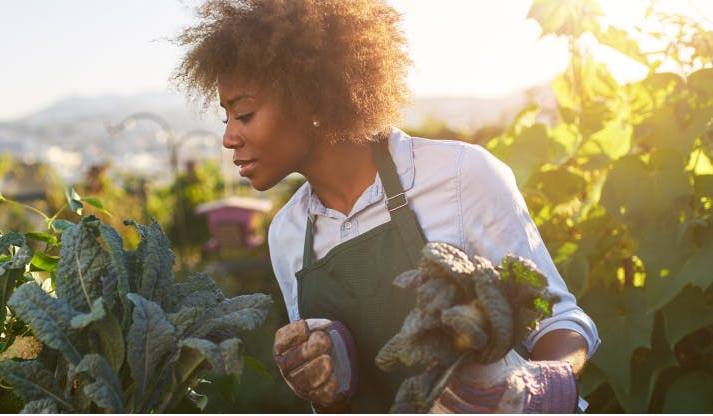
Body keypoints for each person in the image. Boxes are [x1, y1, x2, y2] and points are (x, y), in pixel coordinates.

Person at [173, 0, 601, 413]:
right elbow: (336, 406)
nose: (229, 137)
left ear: (313, 100)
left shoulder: (459, 176)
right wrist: (325, 390)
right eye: (226, 117)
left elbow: (560, 319)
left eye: (243, 114)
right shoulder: (287, 235)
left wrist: (542, 384)